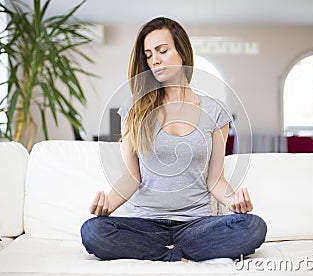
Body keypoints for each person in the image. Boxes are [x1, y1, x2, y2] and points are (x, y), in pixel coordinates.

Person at [80, 17, 267, 262]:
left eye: (162, 50)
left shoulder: (214, 111)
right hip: (146, 225)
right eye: (148, 55)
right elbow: (132, 177)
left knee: (253, 227)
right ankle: (176, 257)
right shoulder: (134, 110)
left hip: (196, 225)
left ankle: (167, 255)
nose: (154, 59)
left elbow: (215, 180)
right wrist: (107, 207)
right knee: (93, 231)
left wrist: (234, 202)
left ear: (182, 52)